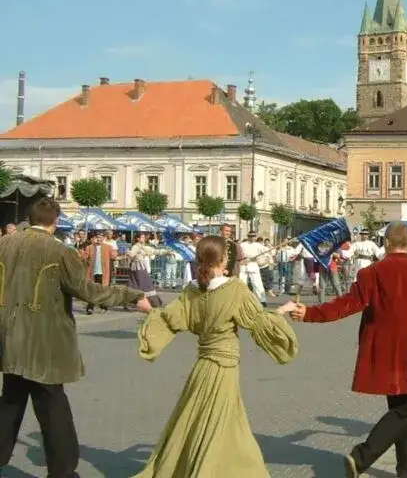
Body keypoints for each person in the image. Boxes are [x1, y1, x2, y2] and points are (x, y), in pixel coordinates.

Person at [290, 222, 407, 478]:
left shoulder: (372, 273)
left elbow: (347, 304)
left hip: (384, 349)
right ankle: (362, 457)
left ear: (387, 243)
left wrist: (311, 313)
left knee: (401, 407)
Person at [0, 197, 151, 478]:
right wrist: (134, 296)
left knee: (10, 402)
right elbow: (90, 291)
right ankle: (63, 472)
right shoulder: (59, 252)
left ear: (30, 219)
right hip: (44, 344)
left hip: (9, 339)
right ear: (55, 222)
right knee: (53, 409)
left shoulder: (4, 244)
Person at [133, 236, 299, 477]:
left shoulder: (191, 291)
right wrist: (283, 310)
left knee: (195, 418)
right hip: (225, 366)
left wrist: (149, 309)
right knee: (217, 421)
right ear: (224, 260)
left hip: (202, 366)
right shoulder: (234, 289)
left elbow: (170, 320)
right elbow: (259, 322)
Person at [83, 232, 117, 314]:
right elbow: (84, 257)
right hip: (93, 273)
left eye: (101, 237)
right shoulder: (90, 247)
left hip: (103, 272)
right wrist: (79, 253)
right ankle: (90, 308)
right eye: (97, 237)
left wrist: (115, 252)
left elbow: (113, 256)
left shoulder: (108, 247)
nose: (99, 239)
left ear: (104, 238)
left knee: (102, 291)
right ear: (95, 238)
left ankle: (103, 307)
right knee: (92, 290)